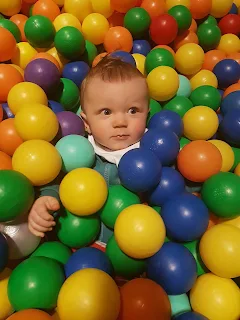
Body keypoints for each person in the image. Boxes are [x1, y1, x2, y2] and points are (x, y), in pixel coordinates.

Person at [28, 56, 150, 240]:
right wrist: (46, 200)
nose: (120, 122)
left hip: (138, 243)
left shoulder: (153, 151)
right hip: (81, 242)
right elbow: (57, 178)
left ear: (147, 114)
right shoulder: (78, 151)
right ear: (86, 122)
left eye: (133, 110)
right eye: (106, 112)